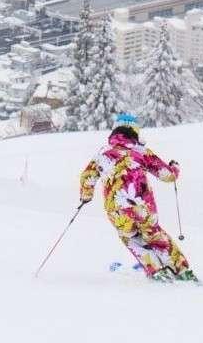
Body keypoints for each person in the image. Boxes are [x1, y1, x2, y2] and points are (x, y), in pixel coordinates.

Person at [79, 112, 194, 281]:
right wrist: (174, 168)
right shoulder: (141, 151)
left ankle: (156, 271)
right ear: (135, 132)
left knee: (131, 238)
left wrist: (86, 196)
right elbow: (168, 176)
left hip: (117, 209)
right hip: (142, 206)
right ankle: (182, 270)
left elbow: (87, 177)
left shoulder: (103, 154)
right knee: (155, 236)